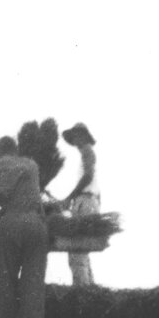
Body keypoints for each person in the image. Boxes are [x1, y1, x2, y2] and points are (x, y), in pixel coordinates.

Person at [0, 136, 49, 318]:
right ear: (16, 149)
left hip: (11, 222)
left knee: (6, 282)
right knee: (34, 287)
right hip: (36, 224)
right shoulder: (31, 164)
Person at [61, 122, 99, 286]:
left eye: (76, 135)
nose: (74, 139)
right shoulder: (86, 153)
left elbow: (88, 176)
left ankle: (82, 292)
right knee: (81, 249)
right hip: (87, 200)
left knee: (77, 248)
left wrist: (70, 197)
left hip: (85, 200)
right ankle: (89, 289)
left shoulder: (87, 151)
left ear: (83, 135)